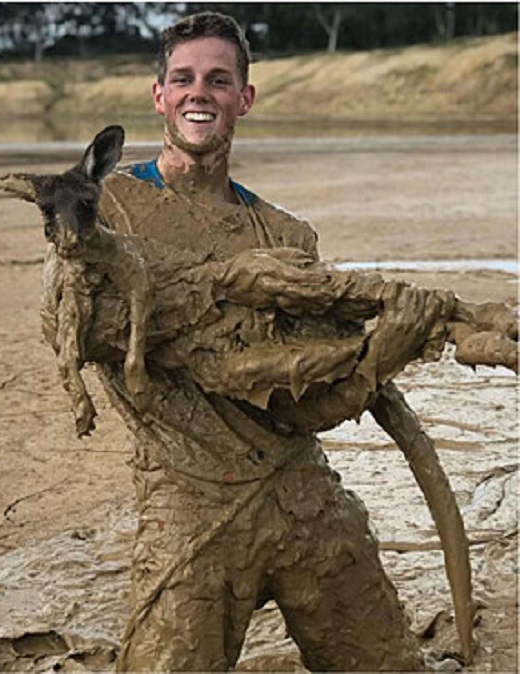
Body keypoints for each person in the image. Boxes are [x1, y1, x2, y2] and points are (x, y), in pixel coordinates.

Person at [92, 13, 431, 671]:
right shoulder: (109, 212)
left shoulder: (287, 237)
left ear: (244, 98)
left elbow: (310, 404)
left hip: (304, 495)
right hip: (190, 506)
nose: (200, 94)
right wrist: (231, 288)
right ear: (157, 94)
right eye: (183, 79)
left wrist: (385, 350)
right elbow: (105, 331)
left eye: (219, 80)